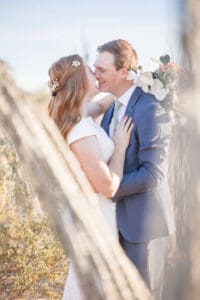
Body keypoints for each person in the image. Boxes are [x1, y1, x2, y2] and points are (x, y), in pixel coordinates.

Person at [95, 39, 176, 300]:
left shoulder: (150, 108)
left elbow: (154, 173)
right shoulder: (112, 108)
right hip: (114, 223)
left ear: (124, 70)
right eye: (95, 69)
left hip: (143, 227)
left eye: (102, 70)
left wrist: (108, 189)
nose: (96, 75)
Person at [48, 54, 133, 300]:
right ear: (79, 81)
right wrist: (119, 147)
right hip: (93, 217)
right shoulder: (81, 129)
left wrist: (134, 81)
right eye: (89, 70)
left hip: (93, 213)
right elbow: (107, 186)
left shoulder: (81, 115)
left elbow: (103, 104)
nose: (95, 73)